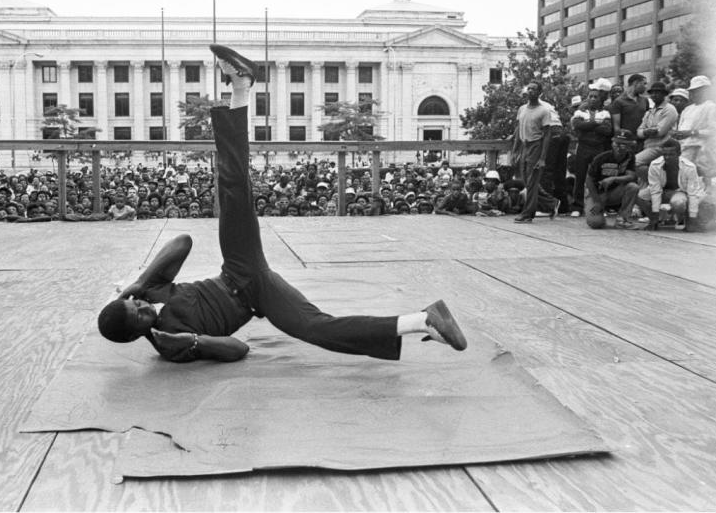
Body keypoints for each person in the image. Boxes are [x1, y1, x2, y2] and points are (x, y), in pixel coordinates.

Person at [97, 45, 467, 363]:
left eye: (136, 302)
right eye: (140, 314)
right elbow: (238, 350)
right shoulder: (170, 343)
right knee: (316, 328)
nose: (144, 306)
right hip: (258, 292)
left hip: (237, 267)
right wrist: (191, 341)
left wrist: (137, 283)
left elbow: (183, 242)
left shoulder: (150, 290)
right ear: (135, 334)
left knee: (232, 187)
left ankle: (241, 87)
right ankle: (425, 320)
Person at [511, 82, 559, 223]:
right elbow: (518, 130)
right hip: (524, 146)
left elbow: (547, 135)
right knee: (527, 181)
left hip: (536, 145)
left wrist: (542, 158)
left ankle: (528, 213)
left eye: (534, 89)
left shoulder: (544, 111)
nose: (530, 91)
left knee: (532, 181)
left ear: (539, 93)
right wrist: (515, 151)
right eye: (529, 88)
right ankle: (551, 203)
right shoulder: (522, 109)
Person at [636, 139, 704, 232]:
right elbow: (655, 191)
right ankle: (654, 220)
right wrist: (655, 216)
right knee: (639, 196)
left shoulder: (689, 167)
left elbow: (693, 194)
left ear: (679, 153)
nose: (667, 157)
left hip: (680, 193)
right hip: (662, 191)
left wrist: (692, 218)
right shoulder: (655, 165)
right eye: (665, 154)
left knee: (679, 203)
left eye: (671, 154)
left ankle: (686, 220)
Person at [583, 129, 639, 229]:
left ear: (630, 146)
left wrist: (613, 178)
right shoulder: (601, 157)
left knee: (633, 187)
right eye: (617, 143)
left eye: (624, 144)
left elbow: (631, 176)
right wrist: (597, 201)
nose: (619, 147)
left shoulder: (630, 157)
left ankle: (622, 219)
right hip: (596, 193)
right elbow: (589, 180)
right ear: (612, 143)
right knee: (595, 223)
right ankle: (599, 213)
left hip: (614, 192)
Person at [569, 89, 613, 217]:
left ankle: (599, 206)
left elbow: (607, 130)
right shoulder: (579, 112)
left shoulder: (605, 113)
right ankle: (577, 206)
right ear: (587, 98)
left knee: (598, 177)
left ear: (600, 100)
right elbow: (578, 125)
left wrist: (587, 125)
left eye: (596, 97)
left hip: (598, 147)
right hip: (583, 147)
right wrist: (595, 123)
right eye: (590, 96)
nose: (593, 99)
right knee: (580, 176)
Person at [670, 75, 716, 173]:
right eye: (693, 91)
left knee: (701, 175)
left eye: (698, 90)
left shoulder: (711, 107)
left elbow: (713, 131)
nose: (694, 93)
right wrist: (677, 134)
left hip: (701, 148)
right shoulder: (688, 109)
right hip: (684, 148)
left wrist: (691, 132)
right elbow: (681, 130)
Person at [635, 82, 679, 172]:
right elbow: (638, 132)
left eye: (657, 92)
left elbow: (659, 132)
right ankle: (650, 183)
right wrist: (646, 132)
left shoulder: (669, 109)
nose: (654, 95)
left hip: (661, 147)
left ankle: (653, 181)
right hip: (648, 146)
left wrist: (645, 132)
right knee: (639, 166)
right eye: (652, 93)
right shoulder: (650, 111)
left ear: (664, 94)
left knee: (634, 162)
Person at [609, 74, 649, 144]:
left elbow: (648, 121)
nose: (646, 87)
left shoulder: (645, 100)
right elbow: (617, 127)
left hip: (643, 141)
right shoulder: (618, 102)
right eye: (644, 84)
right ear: (636, 83)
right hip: (626, 142)